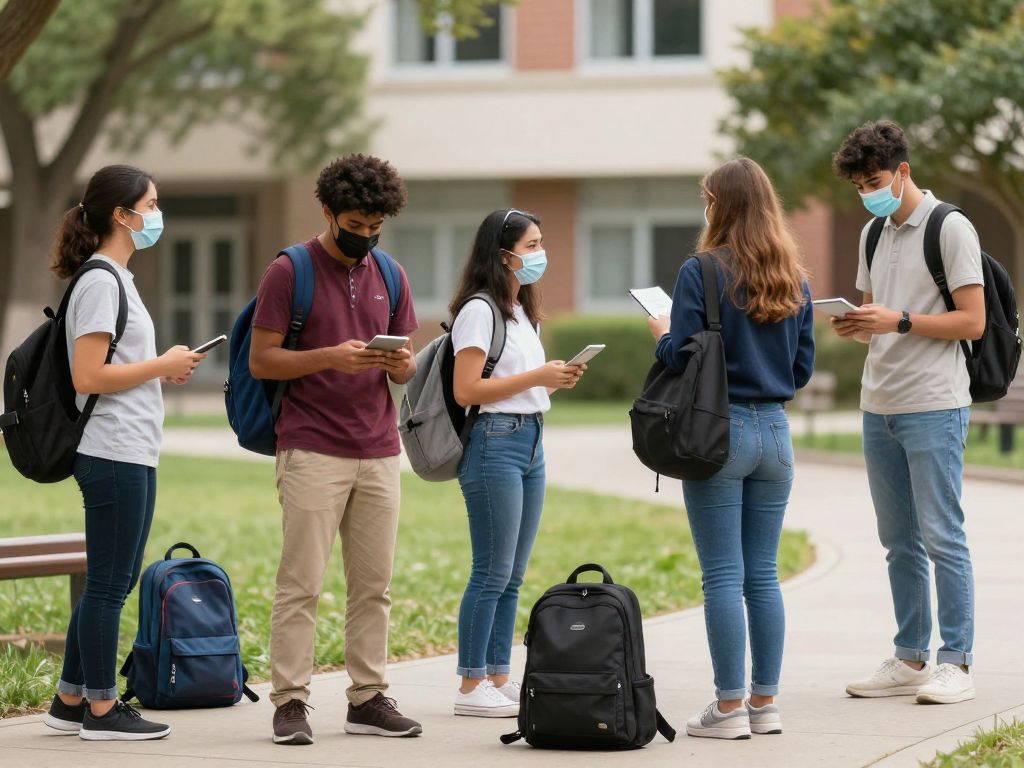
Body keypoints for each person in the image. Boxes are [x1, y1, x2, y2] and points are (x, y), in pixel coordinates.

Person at [249, 154, 422, 745]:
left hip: (379, 448)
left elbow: (406, 368)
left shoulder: (390, 273)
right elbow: (261, 360)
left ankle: (368, 698)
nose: (365, 236)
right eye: (355, 225)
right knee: (302, 584)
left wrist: (400, 365)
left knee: (374, 585)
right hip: (311, 447)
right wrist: (330, 357)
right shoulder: (289, 271)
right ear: (328, 212)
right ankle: (290, 702)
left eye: (375, 227)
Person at [647, 158, 815, 739]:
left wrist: (661, 334)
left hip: (719, 433)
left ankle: (728, 707)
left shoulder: (702, 271)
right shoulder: (794, 275)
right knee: (762, 575)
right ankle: (764, 704)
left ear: (720, 205)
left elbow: (682, 355)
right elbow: (801, 368)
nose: (705, 206)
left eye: (707, 198)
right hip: (776, 435)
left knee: (722, 575)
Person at [43, 164, 205, 741]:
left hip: (131, 447)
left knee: (115, 579)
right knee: (110, 584)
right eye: (151, 205)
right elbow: (88, 375)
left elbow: (116, 368)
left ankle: (70, 700)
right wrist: (161, 364)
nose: (158, 215)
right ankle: (103, 710)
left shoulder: (117, 278)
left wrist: (162, 369)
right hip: (110, 450)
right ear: (122, 214)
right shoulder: (99, 281)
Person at [832, 120, 983, 705]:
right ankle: (910, 657)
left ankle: (957, 662)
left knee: (943, 536)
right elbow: (880, 319)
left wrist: (897, 320)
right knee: (898, 541)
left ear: (903, 171)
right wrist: (858, 325)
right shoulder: (872, 233)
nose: (866, 193)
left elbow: (972, 322)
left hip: (935, 403)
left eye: (873, 182)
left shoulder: (950, 227)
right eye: (858, 186)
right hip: (879, 404)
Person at [448, 208, 585, 717]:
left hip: (530, 441)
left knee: (512, 574)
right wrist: (537, 378)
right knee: (490, 570)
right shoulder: (479, 310)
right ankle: (470, 685)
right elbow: (467, 390)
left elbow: (522, 385)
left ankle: (497, 676)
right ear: (503, 254)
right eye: (531, 246)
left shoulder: (522, 310)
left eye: (540, 243)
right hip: (494, 442)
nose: (540, 254)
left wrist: (553, 380)